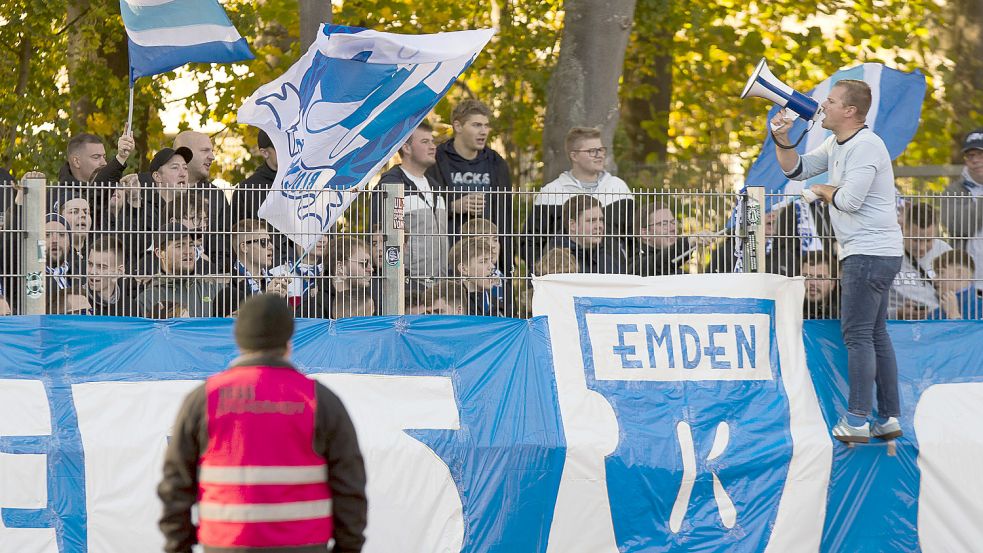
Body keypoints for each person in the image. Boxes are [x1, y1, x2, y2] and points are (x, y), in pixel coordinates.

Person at [158, 293, 367, 553]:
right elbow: (350, 487)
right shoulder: (319, 401)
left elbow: (175, 485)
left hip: (225, 545)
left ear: (238, 340)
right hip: (303, 547)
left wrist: (178, 546)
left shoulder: (204, 400)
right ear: (289, 342)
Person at [772, 78, 903, 443]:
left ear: (850, 110)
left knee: (858, 335)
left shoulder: (866, 146)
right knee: (875, 334)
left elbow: (849, 201)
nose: (822, 106)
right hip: (873, 252)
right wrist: (782, 137)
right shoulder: (837, 142)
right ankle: (889, 418)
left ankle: (858, 420)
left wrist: (820, 189)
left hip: (868, 253)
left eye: (830, 101)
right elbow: (795, 170)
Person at [522, 126, 634, 266]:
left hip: (612, 277)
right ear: (574, 156)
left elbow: (633, 238)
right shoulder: (551, 193)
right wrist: (543, 272)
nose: (600, 155)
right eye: (592, 151)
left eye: (601, 150)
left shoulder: (618, 188)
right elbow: (531, 242)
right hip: (565, 278)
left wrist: (628, 270)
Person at [427, 99, 514, 275]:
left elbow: (505, 215)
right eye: (476, 125)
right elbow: (424, 207)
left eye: (486, 125)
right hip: (448, 254)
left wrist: (507, 260)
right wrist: (453, 206)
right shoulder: (436, 160)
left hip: (489, 258)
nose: (483, 131)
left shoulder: (496, 162)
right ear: (458, 126)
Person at [375, 122, 448, 280]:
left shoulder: (437, 188)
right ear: (406, 148)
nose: (433, 146)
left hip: (439, 287)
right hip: (406, 287)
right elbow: (378, 237)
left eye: (433, 141)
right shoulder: (391, 185)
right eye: (425, 142)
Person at [173, 131, 232, 272]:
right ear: (184, 153)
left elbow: (224, 244)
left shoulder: (216, 196)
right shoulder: (156, 188)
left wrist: (215, 273)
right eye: (205, 151)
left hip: (207, 281)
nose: (212, 157)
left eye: (211, 151)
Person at [136, 223, 222, 317]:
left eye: (191, 245)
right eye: (179, 246)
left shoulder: (214, 288)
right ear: (160, 253)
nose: (188, 251)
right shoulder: (147, 299)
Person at [889, 201, 951, 319]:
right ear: (903, 229)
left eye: (928, 240)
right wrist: (897, 313)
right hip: (898, 325)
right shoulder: (887, 252)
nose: (921, 248)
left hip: (939, 322)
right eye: (916, 240)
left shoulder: (945, 251)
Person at [216, 219, 290, 316]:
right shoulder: (228, 287)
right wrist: (266, 301)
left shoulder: (275, 284)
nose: (271, 246)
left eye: (270, 241)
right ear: (244, 247)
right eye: (264, 242)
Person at [940, 128, 983, 281]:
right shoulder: (953, 190)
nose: (976, 160)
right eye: (971, 155)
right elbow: (958, 226)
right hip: (968, 282)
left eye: (981, 154)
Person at [551, 195, 625, 274]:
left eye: (600, 220)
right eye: (592, 220)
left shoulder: (610, 257)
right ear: (572, 225)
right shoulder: (553, 259)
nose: (599, 226)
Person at [448, 237, 502, 316]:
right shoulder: (451, 304)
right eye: (483, 261)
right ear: (463, 269)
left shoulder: (496, 302)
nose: (492, 266)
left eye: (491, 260)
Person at [631, 202, 689, 276]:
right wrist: (688, 242)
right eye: (664, 224)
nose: (673, 228)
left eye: (673, 222)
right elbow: (658, 264)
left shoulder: (676, 271)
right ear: (645, 233)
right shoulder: (634, 263)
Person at [85, 237, 138, 316]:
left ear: (119, 272)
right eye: (90, 264)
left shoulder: (130, 307)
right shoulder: (76, 300)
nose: (92, 272)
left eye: (102, 267)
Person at [932, 249, 983, 320]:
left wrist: (954, 315)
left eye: (941, 272)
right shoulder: (935, 313)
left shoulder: (935, 314)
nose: (934, 279)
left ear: (959, 274)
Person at [801, 252, 839, 319]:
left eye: (820, 277)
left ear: (832, 284)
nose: (812, 283)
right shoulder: (787, 311)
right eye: (806, 276)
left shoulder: (843, 315)